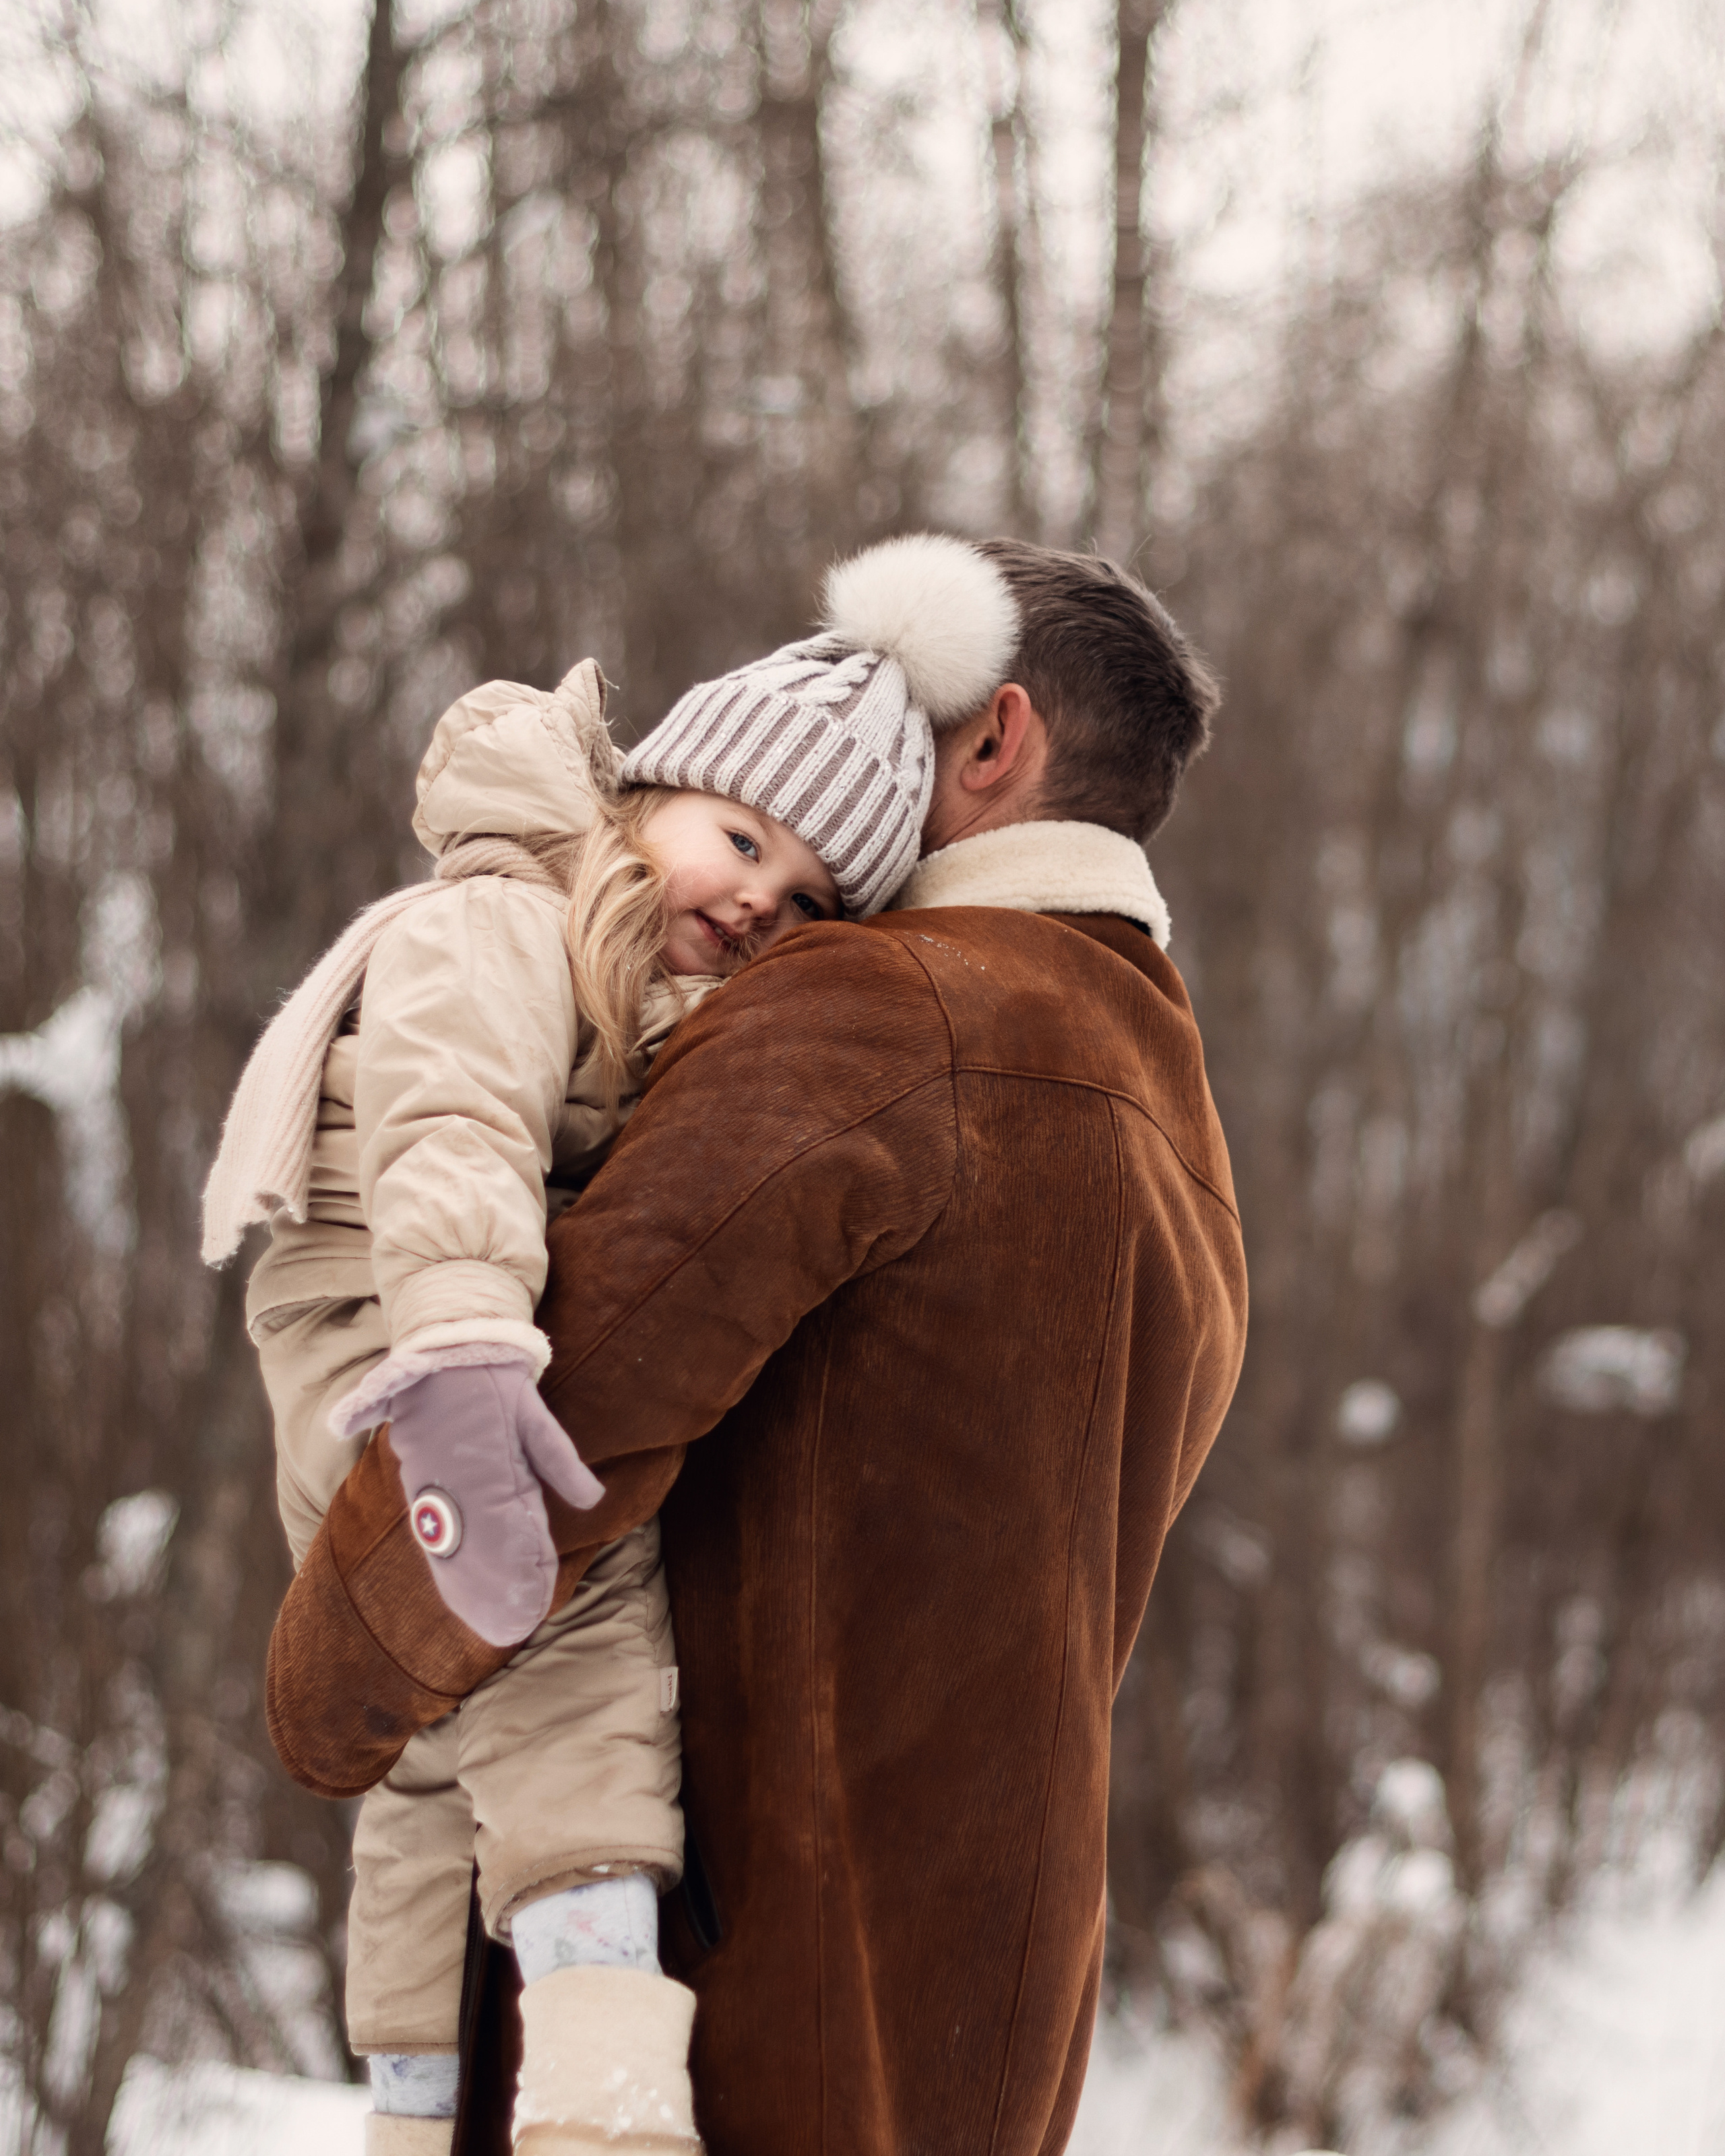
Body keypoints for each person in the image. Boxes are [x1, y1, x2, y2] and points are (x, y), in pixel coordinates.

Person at [204, 533, 1028, 2155]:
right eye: (739, 839)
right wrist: (454, 1352)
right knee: (572, 1641)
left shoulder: (641, 983)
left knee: (440, 1750)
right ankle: (605, 2110)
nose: (752, 902)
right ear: (646, 795)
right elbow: (448, 1121)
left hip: (434, 1313)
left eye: (802, 903)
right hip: (389, 1311)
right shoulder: (503, 915)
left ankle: (411, 2097)